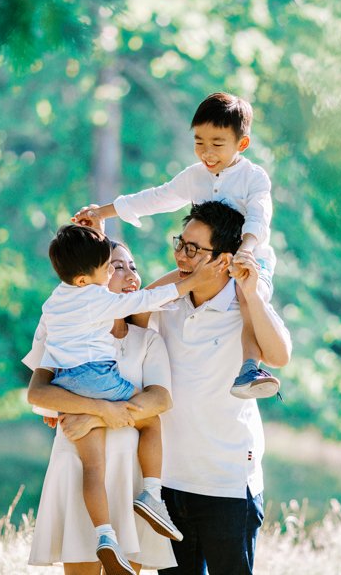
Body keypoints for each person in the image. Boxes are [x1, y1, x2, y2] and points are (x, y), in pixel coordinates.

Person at [74, 201, 292, 575]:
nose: (180, 255)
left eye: (193, 249)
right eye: (180, 243)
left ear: (224, 259)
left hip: (226, 482)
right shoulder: (169, 298)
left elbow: (279, 356)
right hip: (167, 485)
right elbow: (119, 306)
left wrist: (251, 293)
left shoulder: (244, 305)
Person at [36, 225, 220, 575]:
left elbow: (160, 400)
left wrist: (95, 415)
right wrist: (194, 277)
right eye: (114, 266)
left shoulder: (144, 339)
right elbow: (40, 396)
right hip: (77, 464)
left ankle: (123, 518)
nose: (125, 274)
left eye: (132, 266)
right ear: (89, 278)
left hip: (125, 468)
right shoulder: (71, 326)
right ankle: (147, 498)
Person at [73, 92, 281, 400]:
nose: (207, 152)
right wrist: (102, 211)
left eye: (217, 144)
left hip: (248, 261)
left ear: (242, 144)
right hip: (205, 263)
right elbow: (156, 198)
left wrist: (247, 250)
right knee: (150, 296)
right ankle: (108, 361)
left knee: (244, 291)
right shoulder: (195, 176)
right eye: (199, 142)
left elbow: (258, 217)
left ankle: (250, 365)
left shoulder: (254, 178)